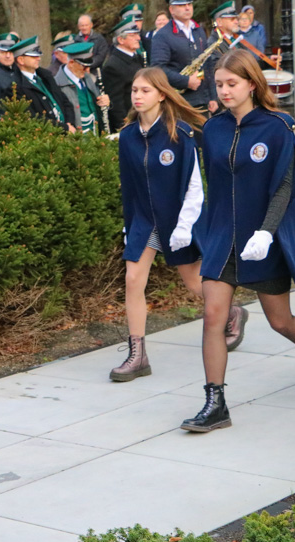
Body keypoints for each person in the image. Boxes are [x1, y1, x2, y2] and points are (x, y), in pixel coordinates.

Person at [182, 50, 295, 432]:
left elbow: (284, 185)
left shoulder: (278, 126)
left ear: (252, 83)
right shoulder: (213, 129)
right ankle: (215, 403)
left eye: (232, 83)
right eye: (219, 84)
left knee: (281, 322)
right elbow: (209, 184)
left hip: (263, 237)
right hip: (221, 238)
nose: (225, 90)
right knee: (213, 317)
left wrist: (266, 232)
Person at [111, 67, 207, 382]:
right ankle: (138, 355)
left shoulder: (180, 134)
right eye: (134, 90)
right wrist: (129, 226)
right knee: (133, 279)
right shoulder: (127, 136)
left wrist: (183, 227)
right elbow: (129, 186)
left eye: (145, 91)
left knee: (194, 284)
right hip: (144, 221)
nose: (137, 96)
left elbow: (195, 187)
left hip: (177, 220)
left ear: (161, 95)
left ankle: (232, 314)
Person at [151, 0, 218, 115]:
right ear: (171, 10)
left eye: (189, 4)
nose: (187, 8)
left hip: (202, 100)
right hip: (178, 101)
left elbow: (207, 64)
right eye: (182, 5)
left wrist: (213, 96)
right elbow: (157, 68)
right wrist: (185, 81)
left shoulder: (198, 30)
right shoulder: (162, 35)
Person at [7, 35, 76, 131]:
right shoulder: (14, 86)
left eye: (38, 55)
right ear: (21, 60)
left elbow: (65, 101)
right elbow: (30, 117)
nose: (38, 58)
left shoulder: (45, 76)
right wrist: (64, 128)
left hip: (65, 132)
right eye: (33, 56)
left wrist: (69, 123)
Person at [54, 42, 110, 134]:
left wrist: (106, 101)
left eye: (89, 66)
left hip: (96, 134)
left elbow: (98, 101)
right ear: (71, 63)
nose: (87, 70)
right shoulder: (58, 84)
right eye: (84, 67)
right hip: (77, 138)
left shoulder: (87, 78)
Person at [102, 16, 145, 129]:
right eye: (132, 35)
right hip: (130, 121)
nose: (138, 38)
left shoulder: (138, 58)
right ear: (121, 40)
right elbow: (116, 103)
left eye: (137, 34)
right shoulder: (113, 66)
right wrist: (124, 126)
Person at [208, 1, 240, 71]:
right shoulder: (213, 43)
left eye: (237, 19)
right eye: (232, 19)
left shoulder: (237, 38)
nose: (237, 22)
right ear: (219, 22)